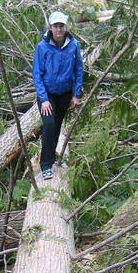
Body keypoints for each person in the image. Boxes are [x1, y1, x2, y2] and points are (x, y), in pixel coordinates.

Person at [32, 10, 83, 179]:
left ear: (65, 27)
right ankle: (45, 165)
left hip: (65, 93)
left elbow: (79, 69)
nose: (59, 29)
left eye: (61, 25)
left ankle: (51, 155)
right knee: (49, 124)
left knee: (57, 125)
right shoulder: (42, 47)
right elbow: (37, 74)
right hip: (47, 94)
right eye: (56, 26)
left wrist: (76, 94)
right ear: (50, 28)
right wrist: (44, 99)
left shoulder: (74, 45)